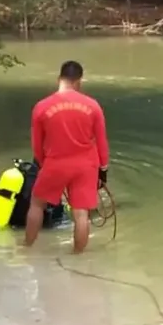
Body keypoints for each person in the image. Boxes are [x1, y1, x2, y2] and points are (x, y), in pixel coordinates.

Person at [24, 60, 110, 253]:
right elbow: (102, 142)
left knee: (37, 204)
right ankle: (77, 256)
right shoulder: (93, 106)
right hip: (86, 166)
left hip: (55, 163)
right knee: (81, 213)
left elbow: (37, 145)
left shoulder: (41, 107)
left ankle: (27, 248)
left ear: (59, 79)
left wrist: (44, 164)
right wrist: (103, 170)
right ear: (79, 81)